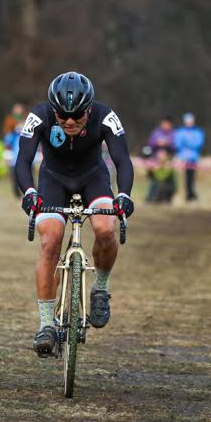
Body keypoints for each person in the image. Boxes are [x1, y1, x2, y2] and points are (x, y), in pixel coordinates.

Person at [15, 71, 134, 356]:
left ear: (89, 109)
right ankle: (46, 325)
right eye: (62, 115)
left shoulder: (106, 116)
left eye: (77, 115)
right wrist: (30, 193)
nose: (69, 121)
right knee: (50, 242)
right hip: (53, 180)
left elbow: (122, 159)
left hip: (93, 177)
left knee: (106, 228)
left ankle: (101, 289)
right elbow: (23, 160)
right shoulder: (40, 116)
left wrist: (124, 195)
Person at [174, 112, 205, 201]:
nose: (189, 123)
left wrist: (187, 143)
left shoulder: (198, 132)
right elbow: (177, 143)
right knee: (181, 179)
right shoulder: (180, 131)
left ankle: (190, 195)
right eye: (187, 121)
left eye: (191, 121)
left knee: (191, 178)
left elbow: (198, 143)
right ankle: (181, 196)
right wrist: (189, 144)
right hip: (181, 158)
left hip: (193, 159)